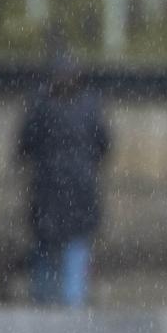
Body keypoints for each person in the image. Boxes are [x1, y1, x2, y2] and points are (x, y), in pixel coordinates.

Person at [17, 53, 110, 307]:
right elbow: (104, 144)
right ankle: (72, 312)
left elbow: (23, 145)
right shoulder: (90, 106)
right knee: (75, 254)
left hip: (47, 192)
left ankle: (44, 309)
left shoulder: (40, 105)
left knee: (46, 254)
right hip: (81, 191)